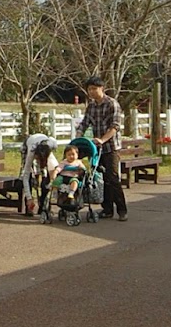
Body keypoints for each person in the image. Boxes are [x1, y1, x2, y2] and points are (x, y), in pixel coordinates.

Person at [77, 75, 128, 220]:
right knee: (100, 178)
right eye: (89, 89)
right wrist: (78, 135)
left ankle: (122, 210)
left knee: (112, 178)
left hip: (111, 147)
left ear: (102, 88)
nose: (92, 92)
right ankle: (107, 209)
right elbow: (84, 123)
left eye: (94, 88)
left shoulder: (112, 104)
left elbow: (115, 126)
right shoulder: (91, 106)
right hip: (96, 149)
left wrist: (103, 139)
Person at [20, 131, 59, 214]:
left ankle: (43, 203)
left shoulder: (52, 145)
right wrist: (29, 197)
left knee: (47, 177)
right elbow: (25, 176)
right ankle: (28, 205)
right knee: (30, 176)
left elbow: (56, 168)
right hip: (28, 145)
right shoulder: (31, 152)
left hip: (44, 145)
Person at [53, 143, 88, 210]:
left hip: (73, 177)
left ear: (77, 155)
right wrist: (56, 172)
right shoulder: (64, 162)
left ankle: (71, 193)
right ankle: (55, 191)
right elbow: (59, 168)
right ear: (65, 156)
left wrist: (81, 170)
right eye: (69, 155)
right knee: (56, 180)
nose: (71, 156)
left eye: (73, 154)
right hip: (63, 177)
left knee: (75, 182)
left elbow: (83, 169)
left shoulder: (78, 162)